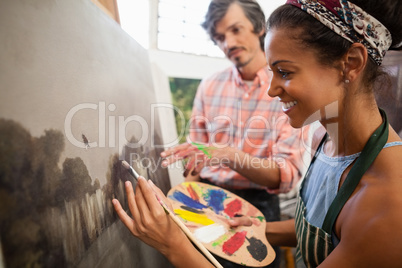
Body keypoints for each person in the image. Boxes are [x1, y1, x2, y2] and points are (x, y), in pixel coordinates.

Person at [112, 0, 402, 267]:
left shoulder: (388, 203)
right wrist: (262, 229)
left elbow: (286, 177)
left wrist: (174, 245)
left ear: (350, 63)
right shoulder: (324, 140)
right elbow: (320, 226)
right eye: (219, 37)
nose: (271, 89)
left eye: (285, 73)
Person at [160, 1, 308, 266]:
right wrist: (185, 195)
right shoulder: (210, 86)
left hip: (259, 205)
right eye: (219, 37)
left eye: (235, 30)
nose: (228, 43)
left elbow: (284, 176)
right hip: (205, 198)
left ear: (260, 27)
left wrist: (228, 156)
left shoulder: (287, 87)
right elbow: (197, 153)